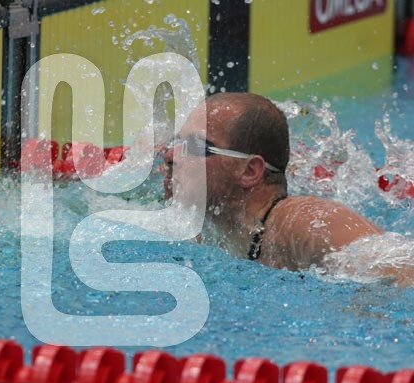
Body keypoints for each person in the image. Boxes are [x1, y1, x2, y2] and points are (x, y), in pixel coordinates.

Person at [162, 92, 405, 280]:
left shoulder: (307, 223)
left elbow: (404, 271)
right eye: (177, 142)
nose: (170, 156)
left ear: (249, 171)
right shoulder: (203, 232)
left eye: (196, 146)